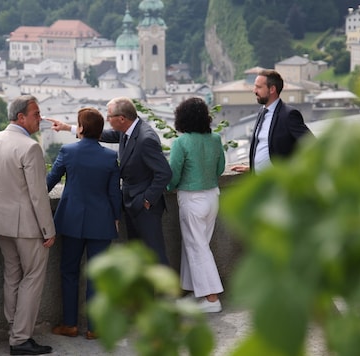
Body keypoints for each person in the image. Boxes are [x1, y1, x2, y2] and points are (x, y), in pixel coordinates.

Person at [47, 97, 172, 265]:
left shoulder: (146, 138)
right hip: (132, 203)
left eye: (109, 115)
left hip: (144, 207)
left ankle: (165, 291)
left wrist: (147, 200)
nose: (106, 119)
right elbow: (99, 134)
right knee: (140, 256)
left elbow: (164, 173)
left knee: (155, 253)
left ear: (121, 118)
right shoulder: (127, 131)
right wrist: (68, 128)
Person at [0, 95, 55, 356]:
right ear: (21, 117)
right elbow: (38, 195)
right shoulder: (30, 147)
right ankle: (21, 339)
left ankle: (14, 328)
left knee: (12, 274)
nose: (39, 118)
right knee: (32, 277)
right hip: (27, 226)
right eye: (36, 114)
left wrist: (2, 199)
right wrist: (48, 229)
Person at [46, 107, 122, 340]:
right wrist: (116, 218)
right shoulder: (110, 157)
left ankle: (69, 324)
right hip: (101, 222)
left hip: (71, 221)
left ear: (80, 128)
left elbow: (48, 183)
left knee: (69, 272)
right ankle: (94, 327)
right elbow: (114, 194)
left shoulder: (67, 151)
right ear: (100, 131)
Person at [167, 97, 226, 313]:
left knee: (197, 248)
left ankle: (212, 299)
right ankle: (196, 293)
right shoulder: (216, 139)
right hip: (212, 196)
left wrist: (165, 188)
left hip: (192, 199)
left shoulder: (181, 142)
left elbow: (172, 174)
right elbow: (220, 168)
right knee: (196, 245)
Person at [231, 69, 313, 175]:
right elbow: (264, 146)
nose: (254, 91)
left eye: (259, 87)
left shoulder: (289, 115)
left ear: (272, 89)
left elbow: (311, 145)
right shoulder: (262, 112)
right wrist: (253, 167)